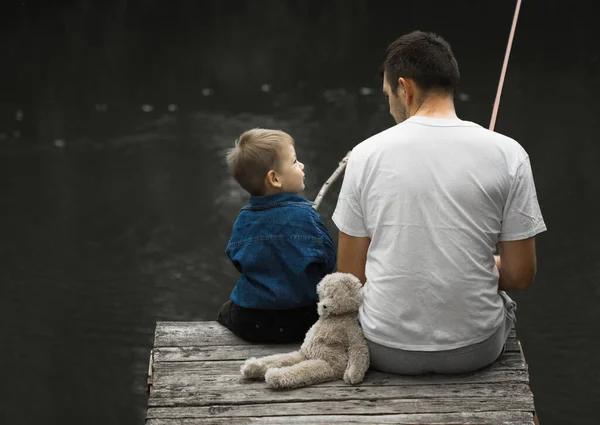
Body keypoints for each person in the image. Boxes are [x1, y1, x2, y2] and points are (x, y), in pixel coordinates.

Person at [332, 31, 547, 375]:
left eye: (389, 95)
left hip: (384, 348)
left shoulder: (365, 155)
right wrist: (486, 264)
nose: (390, 107)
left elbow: (350, 276)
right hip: (475, 350)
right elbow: (521, 275)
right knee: (505, 304)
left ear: (406, 88)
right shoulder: (510, 153)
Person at [217, 128, 336, 343]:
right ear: (274, 179)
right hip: (303, 320)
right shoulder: (307, 217)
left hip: (252, 322)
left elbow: (236, 258)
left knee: (225, 311)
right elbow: (327, 260)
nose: (302, 166)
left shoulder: (243, 220)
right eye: (294, 162)